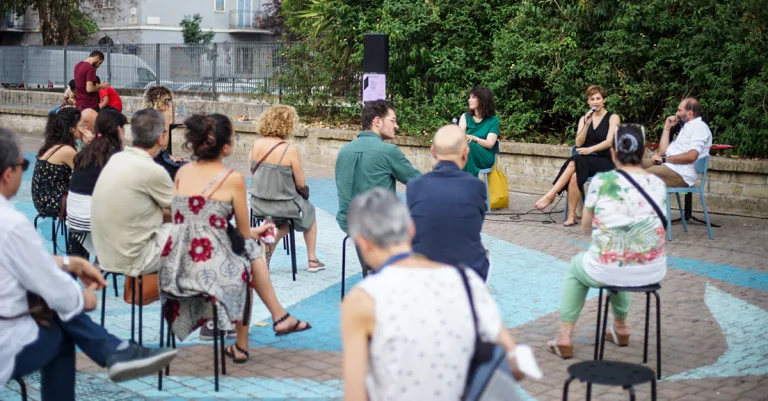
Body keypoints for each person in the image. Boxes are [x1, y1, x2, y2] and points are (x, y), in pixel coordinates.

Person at [0, 128, 178, 401]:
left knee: (58, 321)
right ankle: (114, 351)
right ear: (6, 174)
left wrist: (68, 262)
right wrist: (81, 299)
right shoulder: (11, 223)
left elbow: (20, 260)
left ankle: (114, 351)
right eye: (23, 165)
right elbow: (50, 286)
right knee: (60, 324)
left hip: (88, 233)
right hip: (7, 339)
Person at [341, 188, 523, 400]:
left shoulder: (362, 299)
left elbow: (355, 394)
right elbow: (515, 363)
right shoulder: (466, 281)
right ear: (411, 229)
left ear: (362, 242)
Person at [161, 113, 313, 357]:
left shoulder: (181, 173)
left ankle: (277, 317)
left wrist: (252, 232)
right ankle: (245, 341)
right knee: (249, 259)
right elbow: (242, 233)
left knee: (248, 254)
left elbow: (195, 221)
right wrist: (255, 233)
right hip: (207, 266)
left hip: (177, 262)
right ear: (225, 147)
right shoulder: (231, 178)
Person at [547, 124, 667, 359]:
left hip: (609, 267)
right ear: (644, 151)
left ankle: (564, 338)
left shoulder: (603, 181)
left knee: (580, 266)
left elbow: (586, 227)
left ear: (613, 153)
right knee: (621, 257)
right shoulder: (658, 184)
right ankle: (621, 327)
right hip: (652, 269)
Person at [335, 100, 421, 274]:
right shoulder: (388, 151)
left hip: (349, 224)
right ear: (377, 121)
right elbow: (418, 182)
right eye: (393, 120)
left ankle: (371, 269)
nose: (396, 126)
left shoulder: (344, 151)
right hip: (380, 227)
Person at [91, 108, 173, 277]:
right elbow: (183, 211)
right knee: (192, 229)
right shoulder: (153, 171)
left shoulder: (116, 159)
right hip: (132, 260)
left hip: (104, 255)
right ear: (160, 138)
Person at [406, 124, 491, 280]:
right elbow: (476, 225)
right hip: (467, 272)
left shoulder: (414, 186)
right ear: (465, 153)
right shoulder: (476, 187)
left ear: (433, 151)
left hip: (424, 272)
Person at [248, 105, 325, 272]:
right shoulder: (289, 150)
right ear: (288, 124)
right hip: (284, 204)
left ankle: (266, 251)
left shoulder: (256, 145)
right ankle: (312, 260)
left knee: (274, 219)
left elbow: (253, 174)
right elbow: (300, 183)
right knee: (309, 213)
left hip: (258, 204)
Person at [536, 85, 620, 226]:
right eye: (592, 99)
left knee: (575, 161)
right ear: (588, 102)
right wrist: (586, 124)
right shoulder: (584, 119)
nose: (595, 102)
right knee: (574, 176)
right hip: (585, 160)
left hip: (605, 160)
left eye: (598, 98)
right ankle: (571, 216)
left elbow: (609, 142)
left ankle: (550, 195)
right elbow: (578, 143)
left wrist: (589, 150)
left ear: (604, 100)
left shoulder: (613, 117)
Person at [66, 109, 127, 257]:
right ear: (119, 130)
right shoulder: (115, 156)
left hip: (73, 218)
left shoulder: (84, 153)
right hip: (91, 221)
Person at [643, 97, 712, 188]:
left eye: (679, 110)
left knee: (636, 177)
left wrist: (664, 160)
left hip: (680, 174)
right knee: (630, 165)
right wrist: (667, 127)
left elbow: (692, 156)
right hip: (668, 166)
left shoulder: (699, 127)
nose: (676, 113)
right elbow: (663, 152)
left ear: (690, 113)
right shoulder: (687, 127)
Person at [31, 108, 81, 218]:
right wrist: (91, 142)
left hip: (42, 201)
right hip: (54, 203)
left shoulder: (52, 145)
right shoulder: (67, 150)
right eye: (82, 125)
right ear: (72, 129)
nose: (84, 128)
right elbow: (88, 173)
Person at [458, 86, 501, 177]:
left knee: (469, 145)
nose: (469, 100)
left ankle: (463, 182)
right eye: (469, 97)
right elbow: (460, 135)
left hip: (485, 156)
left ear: (482, 100)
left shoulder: (494, 120)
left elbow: (489, 144)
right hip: (466, 153)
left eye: (473, 97)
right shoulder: (465, 116)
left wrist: (474, 138)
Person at [143, 85, 185, 175]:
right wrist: (167, 121)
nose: (169, 104)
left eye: (170, 100)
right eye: (166, 101)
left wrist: (169, 157)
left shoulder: (150, 115)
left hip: (157, 158)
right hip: (153, 163)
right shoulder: (151, 118)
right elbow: (163, 145)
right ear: (156, 101)